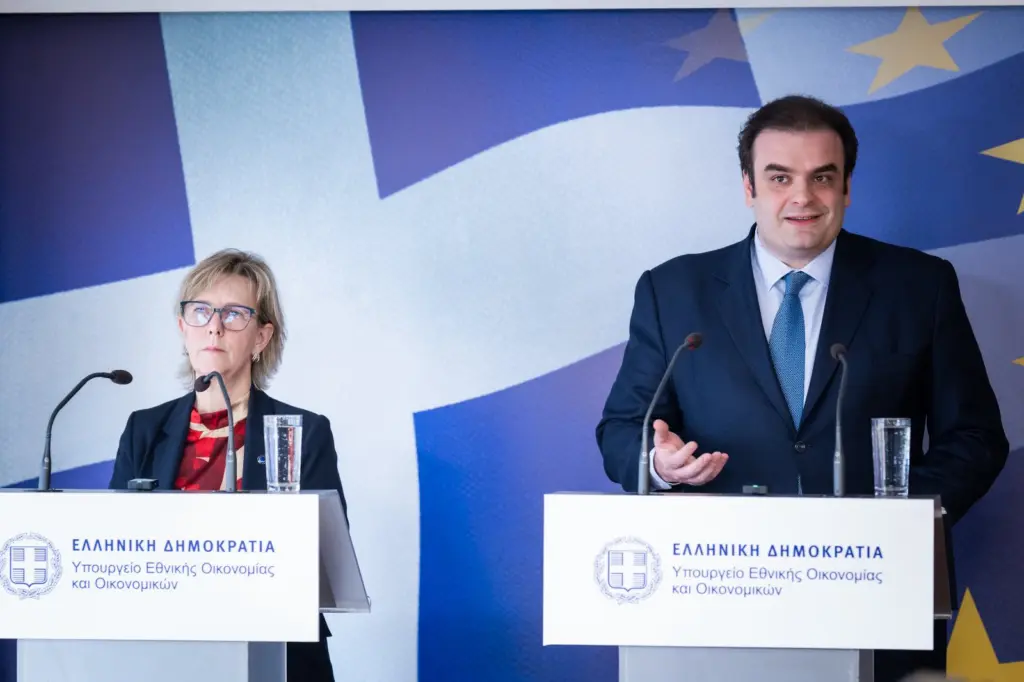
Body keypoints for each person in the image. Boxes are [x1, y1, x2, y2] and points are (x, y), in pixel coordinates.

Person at [595, 95, 1008, 681]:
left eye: (822, 177)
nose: (802, 197)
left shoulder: (920, 285)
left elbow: (974, 436)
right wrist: (661, 466)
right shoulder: (673, 289)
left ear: (846, 187)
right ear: (749, 187)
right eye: (780, 177)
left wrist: (901, 523)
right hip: (716, 592)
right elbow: (622, 430)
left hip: (877, 591)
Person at [109, 248, 346, 682]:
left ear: (261, 338)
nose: (214, 326)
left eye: (234, 314)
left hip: (275, 649)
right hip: (164, 651)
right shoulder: (144, 429)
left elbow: (323, 561)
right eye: (201, 311)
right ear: (183, 328)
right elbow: (115, 550)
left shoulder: (302, 432)